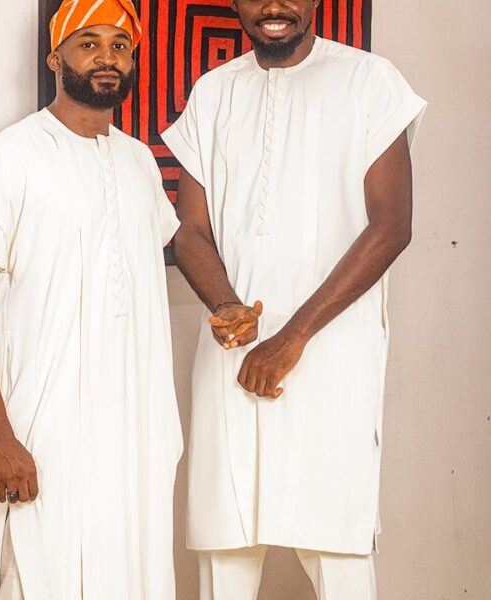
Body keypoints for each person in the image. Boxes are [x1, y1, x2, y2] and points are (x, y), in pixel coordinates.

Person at [161, 0, 426, 598]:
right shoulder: (214, 91)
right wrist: (226, 305)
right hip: (233, 349)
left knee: (337, 542)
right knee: (226, 543)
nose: (274, 6)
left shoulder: (369, 80)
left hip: (331, 349)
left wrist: (294, 336)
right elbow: (190, 231)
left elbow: (392, 226)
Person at [0, 1, 182, 598]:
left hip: (137, 431)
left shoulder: (139, 162)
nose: (107, 57)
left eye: (120, 45)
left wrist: (227, 306)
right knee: (38, 574)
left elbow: (166, 249)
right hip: (47, 431)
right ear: (55, 59)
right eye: (89, 42)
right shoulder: (12, 155)